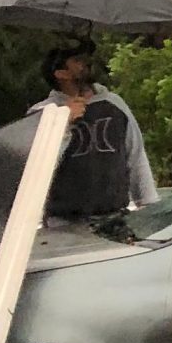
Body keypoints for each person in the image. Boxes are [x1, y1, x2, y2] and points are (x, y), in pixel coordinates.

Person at [39, 41, 158, 220]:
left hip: (116, 218)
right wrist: (62, 122)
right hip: (63, 224)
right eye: (78, 60)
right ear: (60, 73)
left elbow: (136, 156)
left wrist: (150, 207)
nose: (86, 63)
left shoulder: (114, 104)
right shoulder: (44, 113)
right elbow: (37, 169)